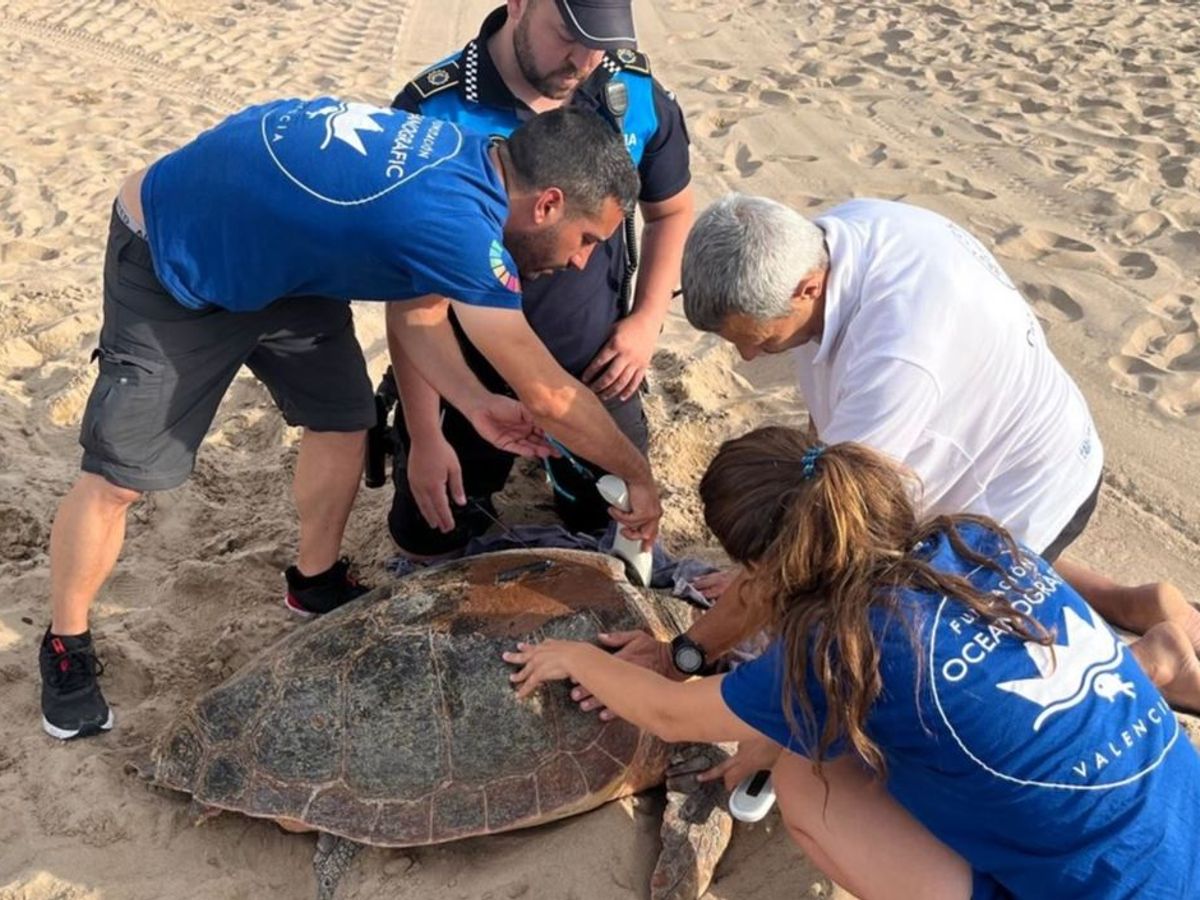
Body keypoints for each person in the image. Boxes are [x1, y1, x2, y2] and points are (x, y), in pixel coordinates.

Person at [39, 99, 662, 740]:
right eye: (588, 239)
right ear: (548, 203)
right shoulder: (456, 221)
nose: (584, 261)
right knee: (121, 477)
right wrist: (637, 477)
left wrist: (474, 405)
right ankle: (65, 644)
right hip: (174, 256)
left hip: (285, 265)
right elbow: (550, 394)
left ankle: (314, 582)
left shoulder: (474, 164)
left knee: (344, 419)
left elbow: (418, 315)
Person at [505, 428, 1200, 899]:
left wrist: (571, 656)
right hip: (1183, 834)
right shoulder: (978, 543)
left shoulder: (842, 647)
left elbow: (668, 713)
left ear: (766, 568)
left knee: (808, 783)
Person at [584, 194, 1200, 716]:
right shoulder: (836, 236)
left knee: (940, 681)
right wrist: (752, 584)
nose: (748, 358)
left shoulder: (896, 358)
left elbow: (817, 542)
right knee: (922, 544)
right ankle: (1131, 603)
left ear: (807, 287)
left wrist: (683, 654)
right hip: (989, 454)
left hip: (1036, 485)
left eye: (757, 340)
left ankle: (1153, 661)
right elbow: (827, 452)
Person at [383, 0, 692, 557]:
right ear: (519, 4)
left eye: (598, 41)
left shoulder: (629, 92)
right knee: (427, 537)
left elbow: (670, 210)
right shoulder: (435, 112)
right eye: (567, 35)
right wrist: (425, 435)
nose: (582, 60)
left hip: (595, 367)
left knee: (623, 539)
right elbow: (410, 298)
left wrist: (646, 322)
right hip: (467, 378)